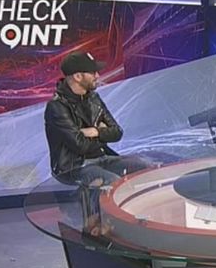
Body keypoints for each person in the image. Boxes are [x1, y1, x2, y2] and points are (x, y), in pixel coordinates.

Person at [44, 51, 146, 234]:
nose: (98, 76)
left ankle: (139, 223)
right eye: (93, 72)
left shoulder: (94, 98)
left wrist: (95, 132)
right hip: (74, 165)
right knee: (112, 183)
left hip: (102, 157)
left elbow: (117, 132)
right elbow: (80, 145)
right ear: (77, 76)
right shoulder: (57, 107)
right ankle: (107, 230)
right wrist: (101, 133)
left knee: (143, 167)